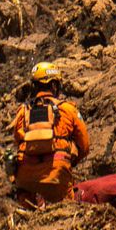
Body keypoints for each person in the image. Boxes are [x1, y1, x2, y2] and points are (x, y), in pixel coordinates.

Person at [8, 62, 89, 207]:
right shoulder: (68, 109)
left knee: (26, 207)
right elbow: (85, 146)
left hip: (25, 177)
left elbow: (18, 141)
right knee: (67, 207)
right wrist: (71, 161)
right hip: (57, 175)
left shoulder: (23, 111)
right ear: (54, 86)